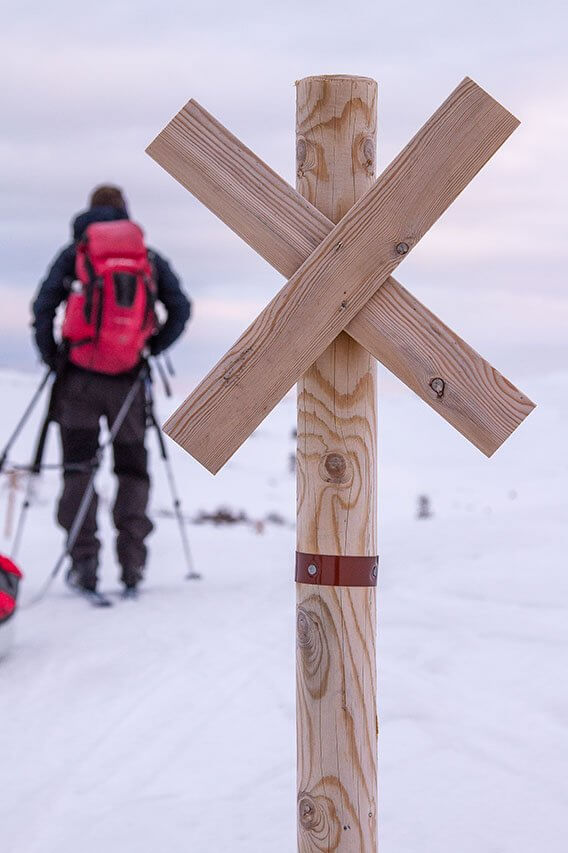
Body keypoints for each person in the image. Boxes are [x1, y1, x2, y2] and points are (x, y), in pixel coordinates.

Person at [32, 185, 191, 595]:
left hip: (79, 381)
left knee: (78, 470)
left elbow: (43, 306)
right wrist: (151, 347)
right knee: (132, 471)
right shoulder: (147, 258)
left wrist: (54, 357)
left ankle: (85, 563)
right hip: (129, 383)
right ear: (125, 212)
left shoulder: (77, 254)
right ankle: (132, 565)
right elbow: (182, 307)